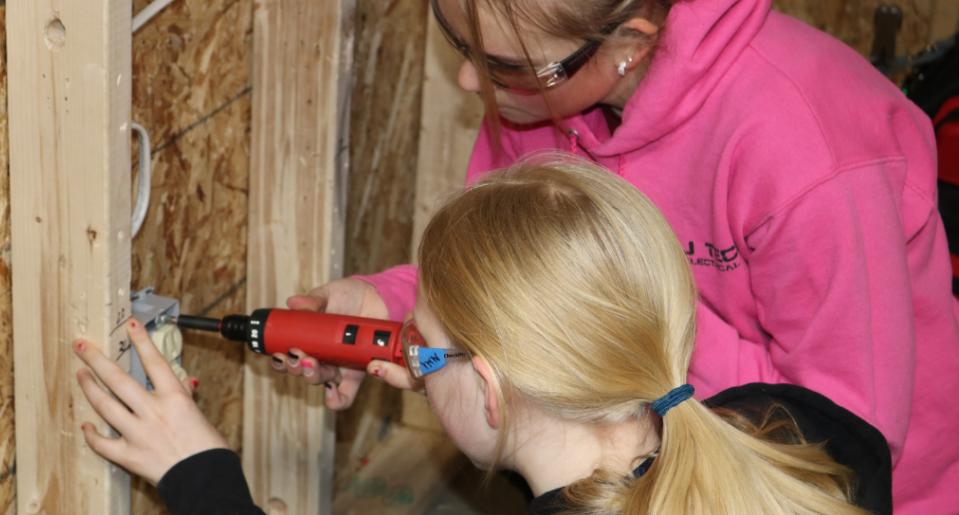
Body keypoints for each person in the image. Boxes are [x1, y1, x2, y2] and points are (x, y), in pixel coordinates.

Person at [275, 0, 959, 513]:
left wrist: (618, 324)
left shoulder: (809, 151)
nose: (472, 84)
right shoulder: (547, 83)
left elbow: (847, 450)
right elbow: (516, 280)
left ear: (626, 43)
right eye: (462, 44)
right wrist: (395, 302)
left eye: (508, 66)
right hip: (633, 475)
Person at [74, 158, 892, 515]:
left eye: (422, 344)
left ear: (495, 394)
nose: (406, 356)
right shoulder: (800, 432)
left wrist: (200, 477)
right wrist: (446, 371)